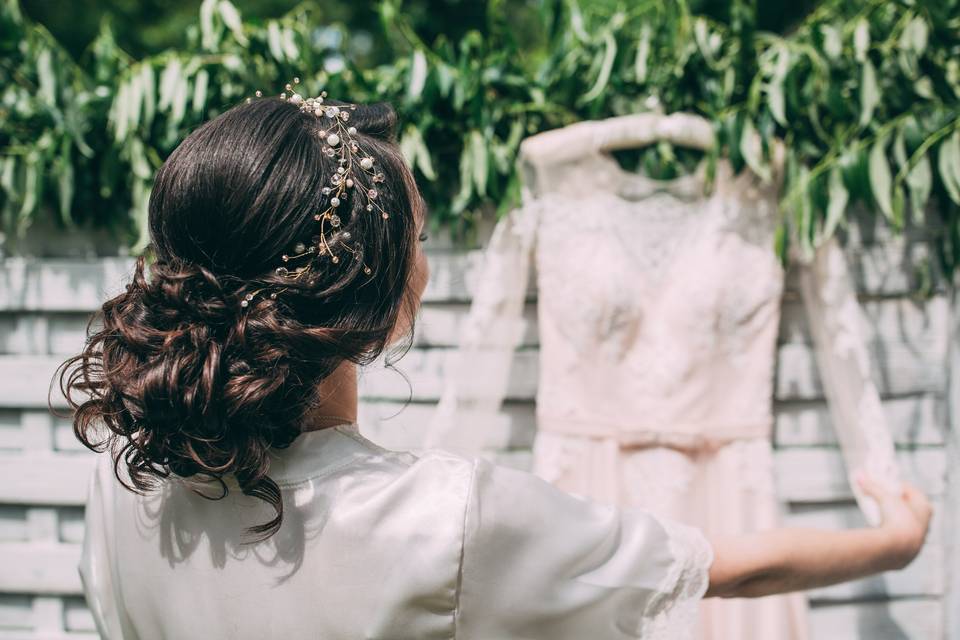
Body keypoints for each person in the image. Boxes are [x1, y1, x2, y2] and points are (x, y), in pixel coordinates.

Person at [58, 89, 931, 640]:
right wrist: (892, 542)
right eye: (423, 236)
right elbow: (726, 566)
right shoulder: (446, 518)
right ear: (381, 296)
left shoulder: (122, 490)